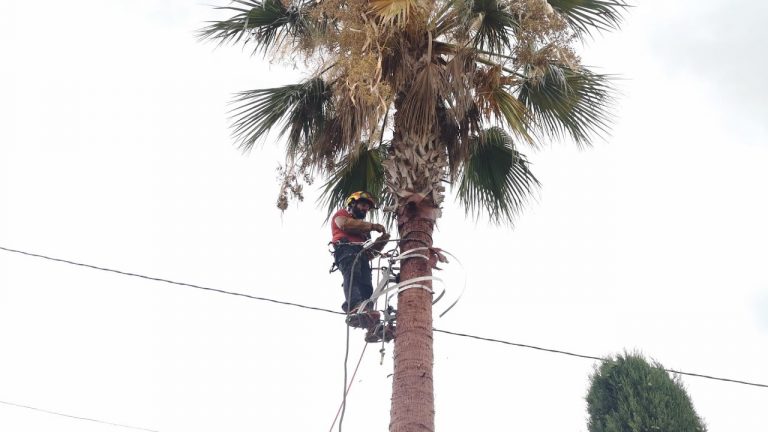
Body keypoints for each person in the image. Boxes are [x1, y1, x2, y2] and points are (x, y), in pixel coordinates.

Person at [330, 191, 391, 339]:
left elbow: (371, 253)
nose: (365, 209)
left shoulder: (364, 233)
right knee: (353, 275)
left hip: (361, 255)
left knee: (367, 286)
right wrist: (372, 226)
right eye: (363, 205)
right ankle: (354, 305)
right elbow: (345, 225)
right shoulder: (342, 215)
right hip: (347, 250)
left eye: (367, 208)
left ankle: (371, 325)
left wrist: (381, 242)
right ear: (353, 203)